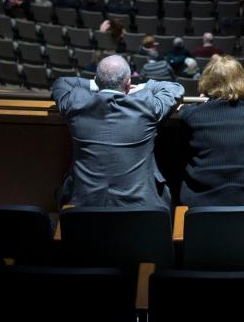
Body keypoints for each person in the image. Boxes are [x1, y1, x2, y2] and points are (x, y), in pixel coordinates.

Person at [52, 55, 184, 208]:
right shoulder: (147, 105)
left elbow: (61, 82)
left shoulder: (75, 103)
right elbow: (175, 88)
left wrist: (97, 84)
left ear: (96, 80)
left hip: (85, 210)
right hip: (142, 209)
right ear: (128, 84)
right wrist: (140, 87)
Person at [173, 56, 244, 206]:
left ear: (206, 82)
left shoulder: (190, 115)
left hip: (202, 205)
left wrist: (215, 92)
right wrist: (237, 88)